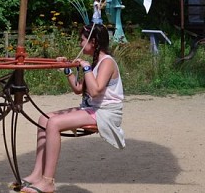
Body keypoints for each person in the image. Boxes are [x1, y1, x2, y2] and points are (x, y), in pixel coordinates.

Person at [17, 23, 125, 193]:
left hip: (105, 113)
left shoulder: (107, 63)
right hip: (91, 109)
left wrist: (87, 67)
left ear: (94, 42)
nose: (80, 44)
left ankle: (48, 181)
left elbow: (96, 91)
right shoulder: (95, 63)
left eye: (82, 40)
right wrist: (67, 69)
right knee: (44, 118)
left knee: (53, 123)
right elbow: (78, 89)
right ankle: (37, 174)